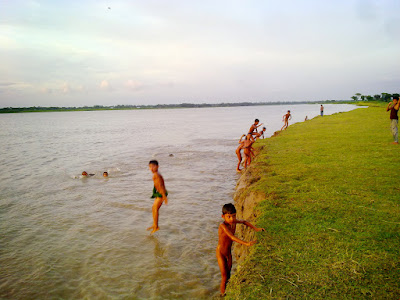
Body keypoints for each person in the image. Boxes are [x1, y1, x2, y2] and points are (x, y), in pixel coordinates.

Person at [216, 203, 265, 296]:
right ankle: (223, 295)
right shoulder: (223, 226)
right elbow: (232, 237)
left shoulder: (233, 222)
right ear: (223, 216)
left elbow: (244, 222)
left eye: (234, 216)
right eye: (229, 217)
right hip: (221, 253)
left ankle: (228, 290)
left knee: (229, 273)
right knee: (224, 276)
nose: (232, 219)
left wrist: (256, 229)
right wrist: (246, 243)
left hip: (228, 253)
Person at [147, 160, 168, 234]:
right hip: (159, 193)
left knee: (155, 208)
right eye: (150, 167)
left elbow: (161, 185)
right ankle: (155, 224)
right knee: (154, 208)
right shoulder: (156, 173)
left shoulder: (156, 175)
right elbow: (157, 185)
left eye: (153, 166)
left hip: (161, 194)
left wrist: (164, 196)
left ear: (157, 166)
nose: (151, 168)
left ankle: (156, 226)